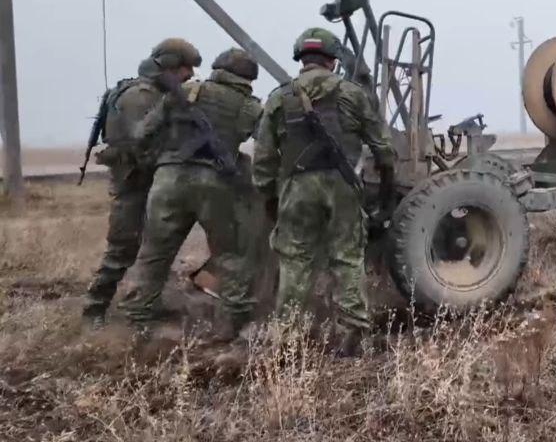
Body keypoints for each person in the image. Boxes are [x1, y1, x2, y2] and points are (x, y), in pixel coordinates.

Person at [252, 27, 395, 352]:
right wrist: (385, 186)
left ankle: (288, 339)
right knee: (347, 258)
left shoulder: (279, 97)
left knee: (295, 260)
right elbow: (382, 147)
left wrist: (271, 197)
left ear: (301, 58)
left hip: (296, 188)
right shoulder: (353, 94)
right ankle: (354, 335)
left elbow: (262, 158)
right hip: (342, 186)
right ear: (333, 60)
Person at [121, 48, 263, 341]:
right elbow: (272, 141)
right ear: (248, 78)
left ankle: (135, 329)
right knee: (232, 257)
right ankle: (228, 331)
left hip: (167, 181)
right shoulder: (249, 106)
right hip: (215, 186)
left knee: (153, 255)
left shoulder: (185, 91)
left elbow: (141, 134)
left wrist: (163, 158)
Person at [81, 38, 201, 329]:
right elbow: (138, 143)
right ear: (170, 65)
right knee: (122, 249)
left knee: (153, 247)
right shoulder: (141, 96)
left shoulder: (152, 92)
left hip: (149, 181)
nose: (189, 76)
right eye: (186, 70)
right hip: (134, 182)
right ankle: (93, 310)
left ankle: (148, 302)